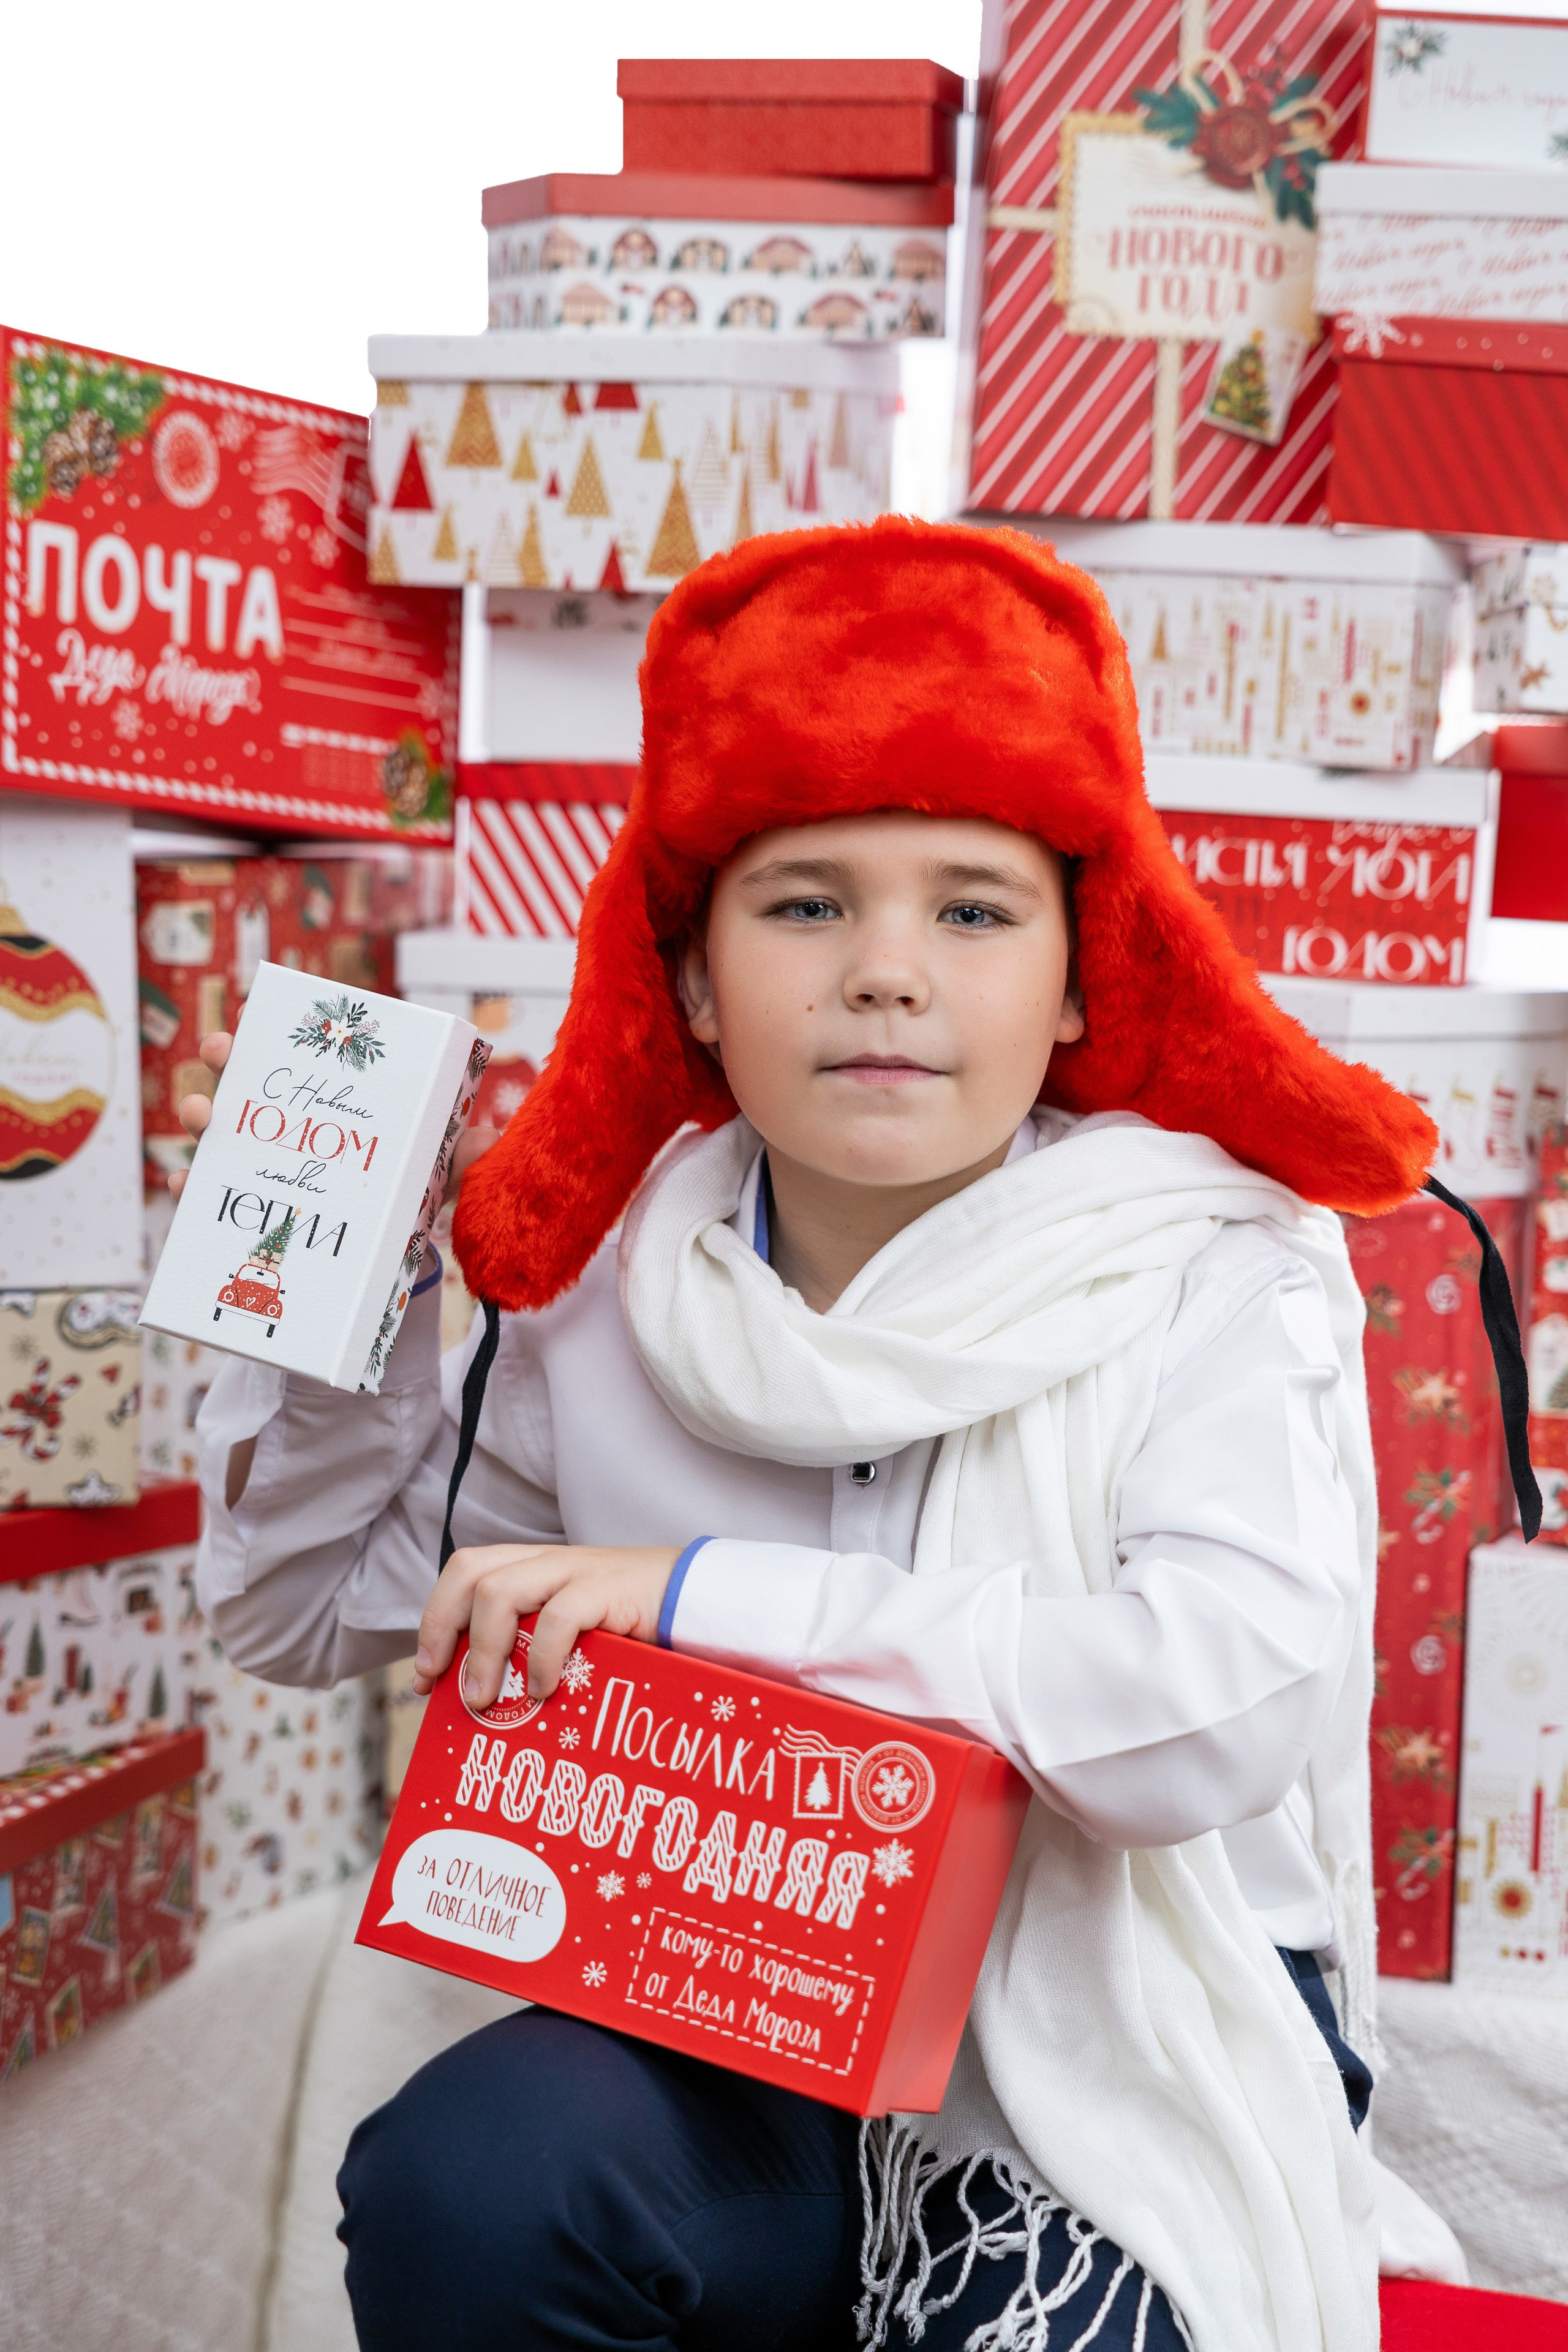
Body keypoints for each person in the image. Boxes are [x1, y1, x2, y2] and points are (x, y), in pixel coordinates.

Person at [179, 520, 1441, 2352]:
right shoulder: (615, 1292)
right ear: (689, 980)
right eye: (805, 903)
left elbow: (1211, 1715)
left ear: (1085, 979)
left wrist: (699, 1596)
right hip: (746, 2027)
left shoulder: (1209, 1268)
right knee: (475, 2171)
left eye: (973, 909)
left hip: (1125, 2038)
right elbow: (297, 1616)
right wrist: (337, 1291)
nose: (887, 971)